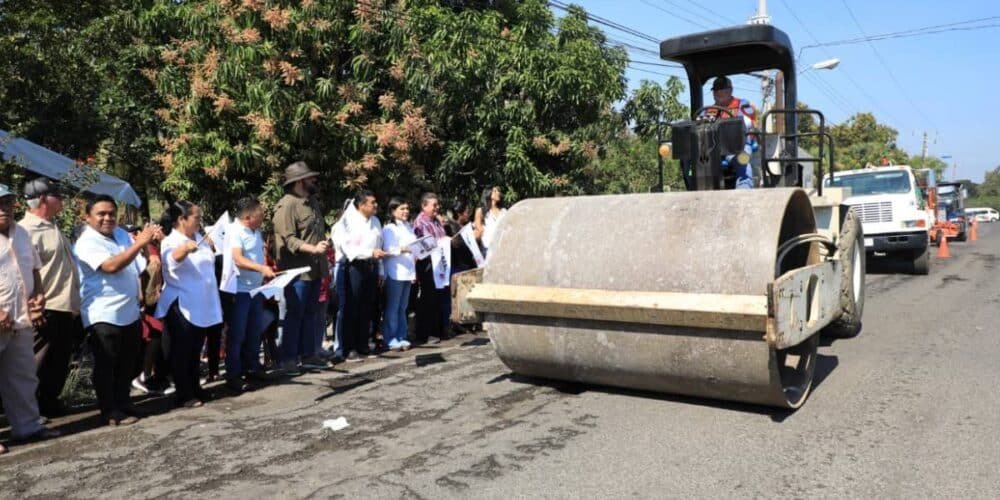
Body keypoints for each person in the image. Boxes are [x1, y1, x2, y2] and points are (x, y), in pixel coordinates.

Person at [75, 194, 161, 426]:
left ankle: (123, 402)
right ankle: (108, 410)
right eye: (101, 214)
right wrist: (140, 243)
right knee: (107, 364)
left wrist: (150, 245)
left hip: (129, 310)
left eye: (111, 213)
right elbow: (111, 266)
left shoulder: (122, 234)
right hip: (103, 312)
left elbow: (136, 265)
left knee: (128, 361)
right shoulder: (87, 242)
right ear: (88, 217)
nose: (107, 218)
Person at [0, 184, 60, 454]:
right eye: (0, 204)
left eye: (9, 203)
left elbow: (34, 268)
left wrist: (39, 296)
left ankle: (27, 427)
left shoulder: (22, 233)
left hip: (20, 317)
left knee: (22, 375)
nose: (5, 208)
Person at [19, 178, 84, 418]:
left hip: (65, 305)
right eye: (58, 195)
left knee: (59, 360)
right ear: (44, 199)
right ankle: (30, 410)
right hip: (45, 306)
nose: (63, 200)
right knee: (38, 361)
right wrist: (31, 305)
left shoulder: (52, 225)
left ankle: (49, 402)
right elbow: (23, 273)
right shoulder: (26, 231)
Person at [155, 201, 223, 407]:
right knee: (182, 350)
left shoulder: (200, 238)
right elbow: (171, 258)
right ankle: (184, 393)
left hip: (202, 302)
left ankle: (195, 387)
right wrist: (184, 248)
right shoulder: (172, 241)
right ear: (181, 220)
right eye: (195, 218)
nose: (199, 221)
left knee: (195, 349)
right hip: (182, 302)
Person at [272, 161, 329, 371]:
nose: (315, 180)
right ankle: (288, 358)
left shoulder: (311, 201)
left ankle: (308, 354)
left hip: (314, 269)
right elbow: (288, 239)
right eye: (311, 177)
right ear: (300, 181)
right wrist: (312, 249)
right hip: (297, 271)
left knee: (310, 313)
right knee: (294, 314)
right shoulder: (286, 205)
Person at [222, 197, 276, 391]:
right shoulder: (235, 231)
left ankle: (252, 367)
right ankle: (233, 374)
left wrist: (264, 272)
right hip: (240, 290)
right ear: (247, 217)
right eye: (259, 214)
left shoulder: (256, 230)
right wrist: (261, 269)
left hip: (255, 290)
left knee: (254, 331)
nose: (262, 217)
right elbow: (237, 259)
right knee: (237, 334)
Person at [338, 190, 385, 361]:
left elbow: (379, 245)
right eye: (372, 202)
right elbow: (348, 248)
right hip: (354, 266)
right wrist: (369, 252)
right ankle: (348, 348)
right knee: (352, 307)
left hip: (371, 266)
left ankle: (362, 345)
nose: (375, 205)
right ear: (361, 205)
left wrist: (380, 270)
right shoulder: (348, 221)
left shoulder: (376, 221)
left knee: (367, 307)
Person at [704, 75, 758, 189]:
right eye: (716, 91)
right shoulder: (709, 110)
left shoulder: (742, 104)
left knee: (743, 160)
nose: (718, 94)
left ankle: (744, 191)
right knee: (693, 161)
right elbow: (700, 125)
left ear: (730, 90)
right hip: (714, 149)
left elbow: (748, 123)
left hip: (737, 147)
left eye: (722, 90)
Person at [413, 192, 450, 345]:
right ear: (424, 206)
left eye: (437, 205)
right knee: (428, 299)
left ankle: (437, 330)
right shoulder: (420, 222)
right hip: (427, 264)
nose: (437, 208)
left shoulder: (436, 221)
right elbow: (427, 244)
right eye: (434, 205)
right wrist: (443, 240)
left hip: (439, 264)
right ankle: (425, 333)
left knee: (437, 298)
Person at [381, 197, 416, 352]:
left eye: (407, 208)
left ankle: (401, 336)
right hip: (395, 271)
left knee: (403, 307)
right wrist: (403, 248)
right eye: (402, 208)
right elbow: (388, 250)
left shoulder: (409, 227)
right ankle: (390, 337)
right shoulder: (389, 228)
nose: (405, 211)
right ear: (393, 211)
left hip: (408, 272)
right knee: (393, 307)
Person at [474, 186, 507, 253]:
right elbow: (479, 231)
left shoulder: (504, 211)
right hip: (487, 248)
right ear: (489, 193)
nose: (498, 193)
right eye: (495, 191)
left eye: (498, 191)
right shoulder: (481, 211)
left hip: (502, 248)